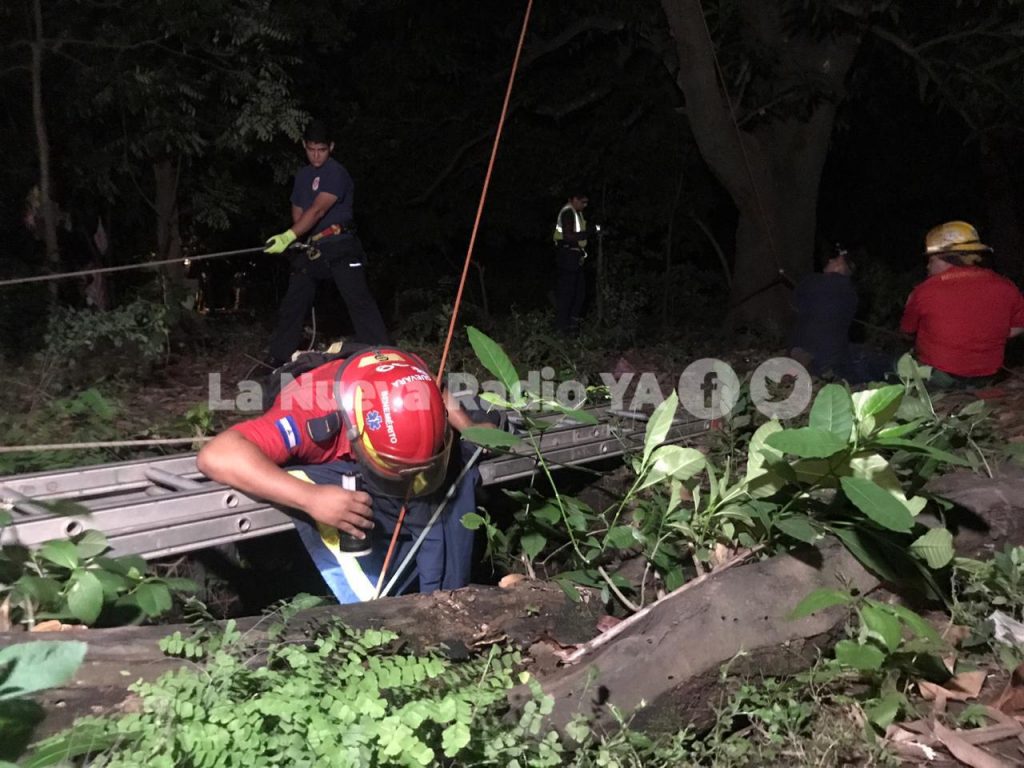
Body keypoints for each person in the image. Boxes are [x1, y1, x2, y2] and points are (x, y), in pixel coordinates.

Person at [197, 346, 488, 603]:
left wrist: (469, 428)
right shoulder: (310, 412)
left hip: (366, 369)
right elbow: (217, 455)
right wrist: (310, 498)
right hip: (318, 393)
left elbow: (434, 385)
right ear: (357, 432)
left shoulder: (409, 374)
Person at [263, 120, 390, 368]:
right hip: (313, 249)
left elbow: (318, 210)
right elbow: (299, 213)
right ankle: (278, 358)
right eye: (311, 149)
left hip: (340, 244)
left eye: (321, 149)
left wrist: (288, 236)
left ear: (331, 147)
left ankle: (382, 358)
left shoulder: (336, 173)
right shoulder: (303, 176)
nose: (316, 155)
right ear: (304, 146)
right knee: (294, 299)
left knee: (358, 301)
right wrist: (297, 239)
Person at [900, 220, 1024, 388]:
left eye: (931, 261)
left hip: (939, 376)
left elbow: (907, 331)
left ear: (945, 259)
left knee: (895, 363)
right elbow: (1019, 325)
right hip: (988, 375)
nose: (928, 267)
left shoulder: (924, 290)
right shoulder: (1006, 286)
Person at [552, 191, 594, 334]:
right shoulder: (568, 213)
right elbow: (568, 236)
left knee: (579, 294)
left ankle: (572, 328)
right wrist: (588, 232)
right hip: (567, 255)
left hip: (575, 257)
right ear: (574, 199)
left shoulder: (577, 214)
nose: (585, 205)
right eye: (583, 202)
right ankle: (561, 329)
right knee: (568, 293)